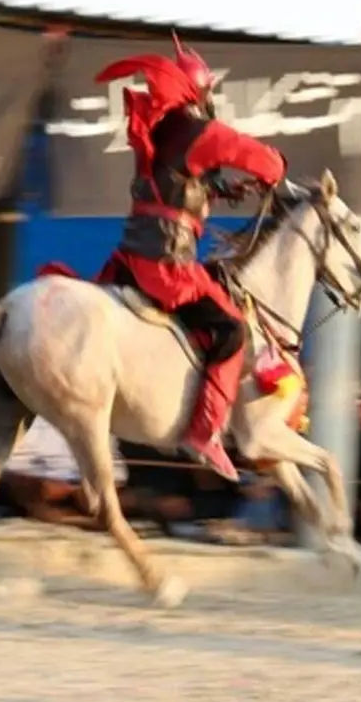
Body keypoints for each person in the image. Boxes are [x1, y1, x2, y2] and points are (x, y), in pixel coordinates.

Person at [96, 33, 287, 482]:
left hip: (131, 256)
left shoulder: (163, 130)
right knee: (231, 330)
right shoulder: (200, 131)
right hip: (167, 265)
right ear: (199, 92)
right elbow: (258, 158)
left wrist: (222, 188)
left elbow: (178, 180)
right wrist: (278, 165)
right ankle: (204, 430)